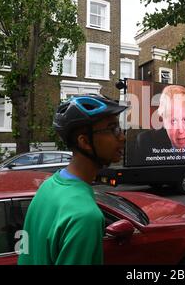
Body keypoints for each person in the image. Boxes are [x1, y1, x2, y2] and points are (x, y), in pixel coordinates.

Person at [18, 94, 127, 265]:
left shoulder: (48, 187)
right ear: (84, 142)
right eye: (112, 129)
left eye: (119, 129)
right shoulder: (85, 217)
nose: (122, 137)